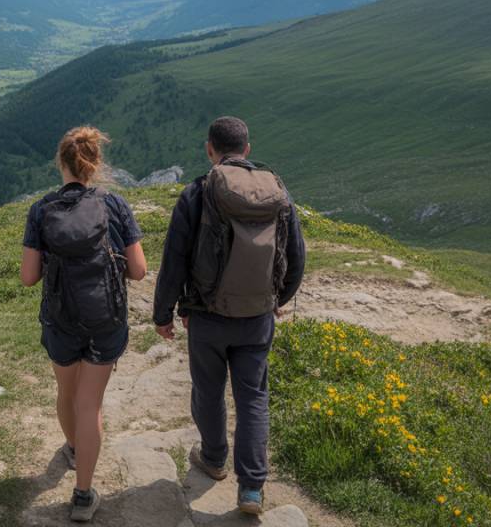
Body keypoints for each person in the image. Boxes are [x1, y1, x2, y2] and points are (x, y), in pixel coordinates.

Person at [153, 116, 305, 515]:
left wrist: (163, 313)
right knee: (253, 397)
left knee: (208, 389)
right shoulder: (278, 193)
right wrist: (277, 297)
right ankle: (252, 489)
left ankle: (214, 458)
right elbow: (297, 257)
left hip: (206, 315)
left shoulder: (198, 193)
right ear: (247, 150)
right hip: (257, 316)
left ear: (210, 149)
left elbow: (174, 260)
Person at [21, 126, 147, 523]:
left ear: (61, 162)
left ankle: (74, 449)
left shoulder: (41, 210)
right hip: (105, 319)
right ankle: (82, 495)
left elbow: (28, 277)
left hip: (61, 321)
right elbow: (140, 270)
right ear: (95, 164)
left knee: (66, 393)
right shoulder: (115, 205)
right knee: (90, 404)